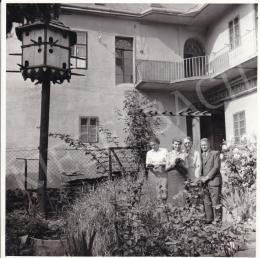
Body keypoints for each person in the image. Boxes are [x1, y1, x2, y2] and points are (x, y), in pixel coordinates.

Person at [200, 138, 222, 223]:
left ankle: (217, 220)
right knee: (206, 201)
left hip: (213, 181)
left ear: (209, 145)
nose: (203, 146)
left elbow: (216, 167)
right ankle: (209, 219)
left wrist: (207, 177)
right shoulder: (201, 155)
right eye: (202, 145)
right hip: (204, 183)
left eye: (205, 145)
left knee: (215, 201)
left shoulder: (215, 153)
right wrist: (201, 177)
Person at [165, 138, 188, 203]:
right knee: (172, 195)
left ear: (180, 145)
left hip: (181, 177)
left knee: (181, 196)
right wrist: (172, 164)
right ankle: (173, 212)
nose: (177, 146)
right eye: (175, 144)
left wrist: (181, 164)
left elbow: (187, 169)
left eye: (178, 144)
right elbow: (166, 168)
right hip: (172, 178)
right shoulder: (169, 154)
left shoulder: (184, 154)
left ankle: (182, 212)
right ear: (173, 144)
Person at [146, 137, 168, 201]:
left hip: (163, 172)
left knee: (164, 191)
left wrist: (160, 164)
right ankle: (158, 207)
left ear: (158, 143)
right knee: (157, 192)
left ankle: (165, 207)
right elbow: (147, 164)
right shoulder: (149, 153)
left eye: (154, 144)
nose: (153, 146)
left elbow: (168, 162)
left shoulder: (164, 150)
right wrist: (152, 165)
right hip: (153, 173)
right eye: (151, 145)